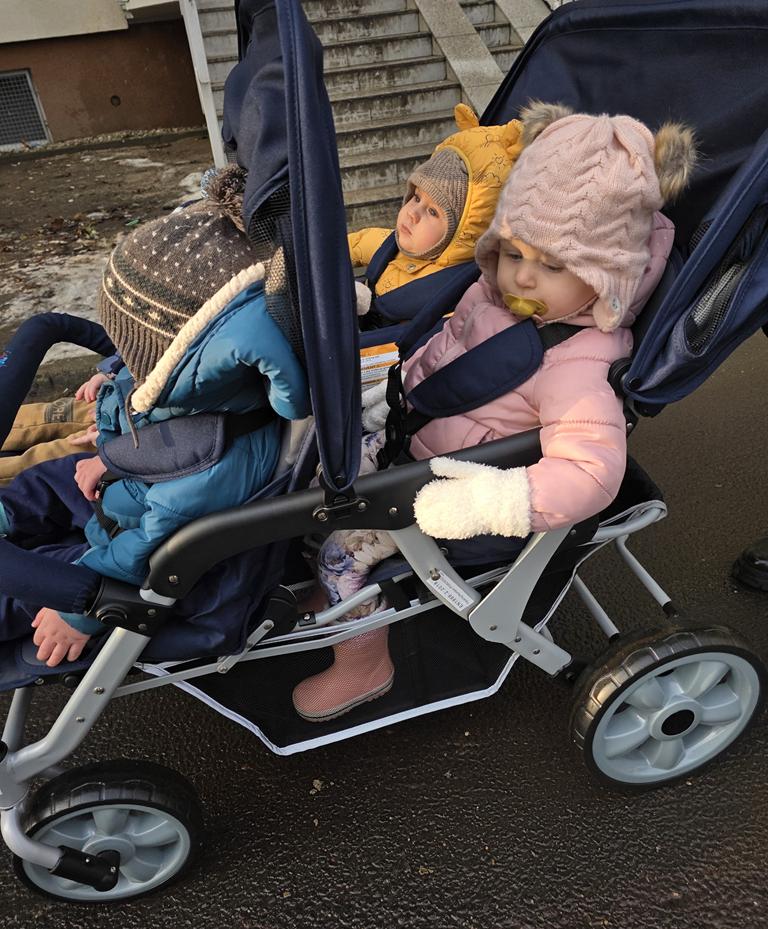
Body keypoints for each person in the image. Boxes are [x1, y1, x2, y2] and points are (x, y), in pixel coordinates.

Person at [292, 101, 697, 723]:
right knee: (307, 474)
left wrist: (488, 503)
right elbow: (440, 354)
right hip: (415, 440)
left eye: (553, 265)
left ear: (607, 278)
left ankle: (363, 660)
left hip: (459, 492)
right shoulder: (489, 298)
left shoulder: (578, 364)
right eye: (513, 254)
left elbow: (590, 472)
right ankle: (333, 592)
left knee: (339, 555)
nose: (523, 278)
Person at [0, 165, 311, 668]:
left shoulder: (215, 464)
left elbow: (153, 549)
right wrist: (112, 445)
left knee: (28, 583)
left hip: (137, 559)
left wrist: (81, 609)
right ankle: (10, 512)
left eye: (130, 350)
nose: (124, 359)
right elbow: (157, 422)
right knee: (49, 479)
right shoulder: (198, 384)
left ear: (172, 356)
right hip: (130, 487)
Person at [350, 104, 524, 330]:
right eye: (416, 198)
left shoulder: (455, 293)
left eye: (432, 212)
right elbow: (353, 244)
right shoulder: (389, 244)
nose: (413, 213)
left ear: (463, 231)